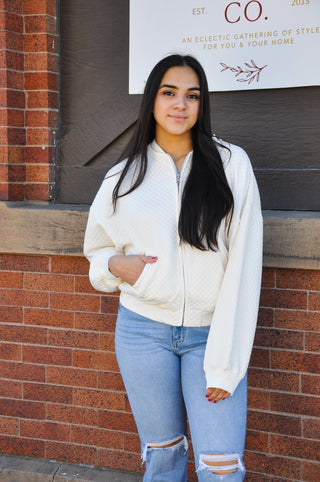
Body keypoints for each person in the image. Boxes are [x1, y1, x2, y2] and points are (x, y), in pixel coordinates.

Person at [84, 54, 263, 481]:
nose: (180, 104)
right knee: (163, 458)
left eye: (192, 95)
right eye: (169, 93)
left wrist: (224, 362)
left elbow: (245, 265)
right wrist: (115, 265)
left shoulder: (231, 164)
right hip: (142, 332)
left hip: (209, 338)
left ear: (202, 105)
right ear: (152, 101)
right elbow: (96, 251)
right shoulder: (123, 176)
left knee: (221, 468)